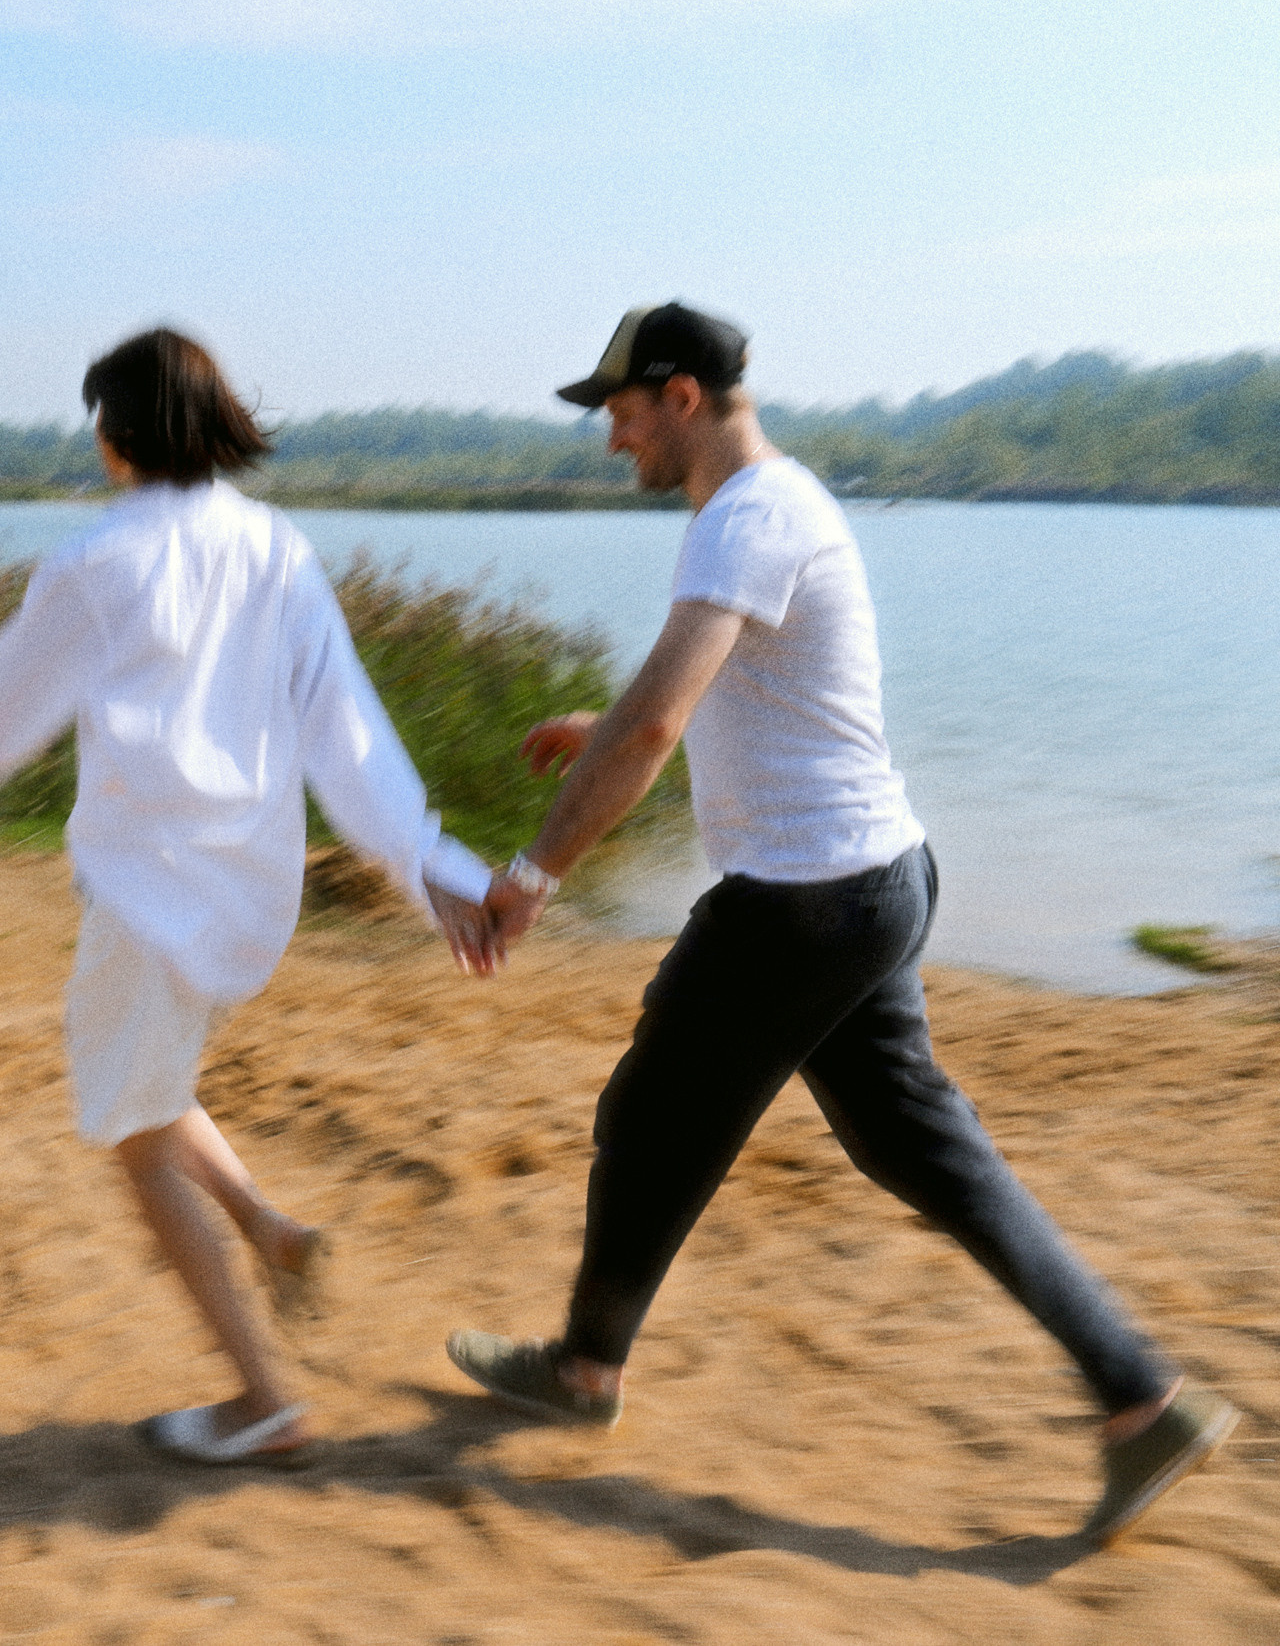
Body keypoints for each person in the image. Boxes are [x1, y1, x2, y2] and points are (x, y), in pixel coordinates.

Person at [444, 301, 1234, 1544]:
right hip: (880, 879)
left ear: (682, 397)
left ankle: (584, 1371)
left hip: (804, 903)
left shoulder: (746, 517)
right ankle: (1142, 1399)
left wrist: (533, 874)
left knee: (648, 1119)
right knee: (918, 1147)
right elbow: (696, 693)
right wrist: (593, 732)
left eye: (621, 412)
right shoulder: (771, 506)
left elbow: (660, 722)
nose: (612, 442)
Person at [0, 328, 499, 1465]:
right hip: (248, 887)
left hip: (151, 891)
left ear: (116, 440)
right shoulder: (275, 548)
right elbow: (344, 726)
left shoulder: (101, 562)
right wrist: (423, 857)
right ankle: (270, 1229)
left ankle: (263, 1400)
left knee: (130, 1134)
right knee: (146, 1088)